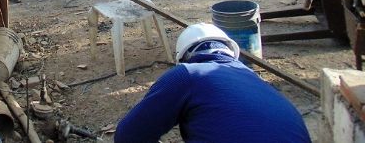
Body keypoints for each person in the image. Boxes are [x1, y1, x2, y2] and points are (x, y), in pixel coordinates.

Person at [115, 23, 310, 143]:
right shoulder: (260, 83)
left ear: (184, 57)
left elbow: (127, 136)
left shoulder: (187, 74)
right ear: (230, 51)